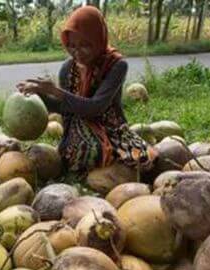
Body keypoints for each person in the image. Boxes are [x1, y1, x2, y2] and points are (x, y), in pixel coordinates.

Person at [16, 5, 157, 174]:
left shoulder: (116, 65)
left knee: (140, 157)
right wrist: (39, 95)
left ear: (98, 40)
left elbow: (96, 107)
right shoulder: (67, 69)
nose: (77, 52)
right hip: (78, 121)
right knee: (83, 151)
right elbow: (65, 108)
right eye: (71, 46)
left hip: (109, 125)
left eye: (85, 45)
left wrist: (55, 91)